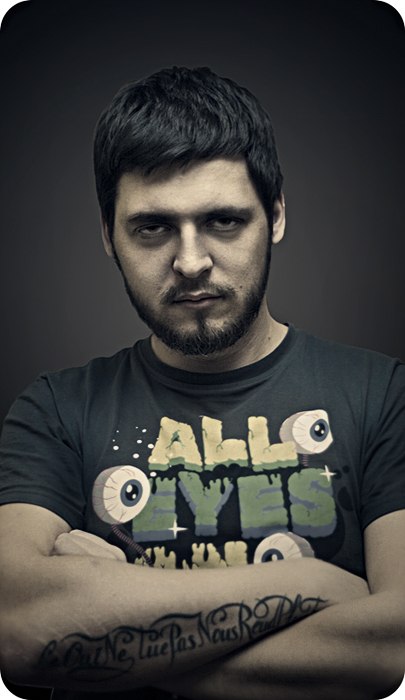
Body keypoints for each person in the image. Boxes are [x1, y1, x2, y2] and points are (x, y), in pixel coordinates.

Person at [0, 66, 404, 700]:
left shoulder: (383, 396)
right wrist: (313, 587)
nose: (190, 261)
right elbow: (19, 630)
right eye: (152, 227)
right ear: (108, 236)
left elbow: (390, 647)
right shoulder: (56, 409)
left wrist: (112, 628)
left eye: (223, 220)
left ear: (275, 216)